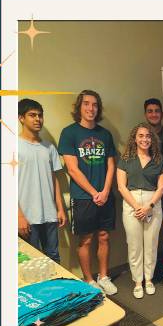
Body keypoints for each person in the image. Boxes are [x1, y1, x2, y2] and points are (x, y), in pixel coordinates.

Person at [58, 90, 118, 294]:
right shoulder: (69, 133)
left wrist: (106, 190)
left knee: (104, 237)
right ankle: (89, 279)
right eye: (86, 104)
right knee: (86, 239)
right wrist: (94, 192)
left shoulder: (105, 134)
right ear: (79, 107)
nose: (91, 108)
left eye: (94, 105)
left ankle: (103, 276)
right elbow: (72, 169)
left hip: (106, 195)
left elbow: (111, 165)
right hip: (83, 197)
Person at [116, 123, 163, 299]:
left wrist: (148, 207)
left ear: (152, 139)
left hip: (153, 203)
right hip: (132, 205)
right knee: (135, 245)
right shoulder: (126, 159)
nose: (145, 139)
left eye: (148, 136)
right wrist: (138, 207)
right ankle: (138, 282)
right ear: (134, 138)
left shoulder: (158, 160)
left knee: (151, 245)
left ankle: (149, 279)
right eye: (141, 136)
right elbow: (122, 187)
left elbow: (161, 188)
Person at [17, 98, 66, 262]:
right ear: (21, 118)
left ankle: (56, 288)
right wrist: (18, 216)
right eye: (32, 115)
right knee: (30, 262)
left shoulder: (49, 147)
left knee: (53, 258)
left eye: (40, 115)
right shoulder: (12, 146)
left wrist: (60, 208)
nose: (38, 119)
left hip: (49, 215)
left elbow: (54, 180)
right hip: (27, 217)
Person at [144, 98, 163, 284]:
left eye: (157, 111)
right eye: (150, 111)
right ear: (146, 114)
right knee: (145, 231)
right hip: (146, 189)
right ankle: (144, 272)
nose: (154, 114)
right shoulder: (142, 134)